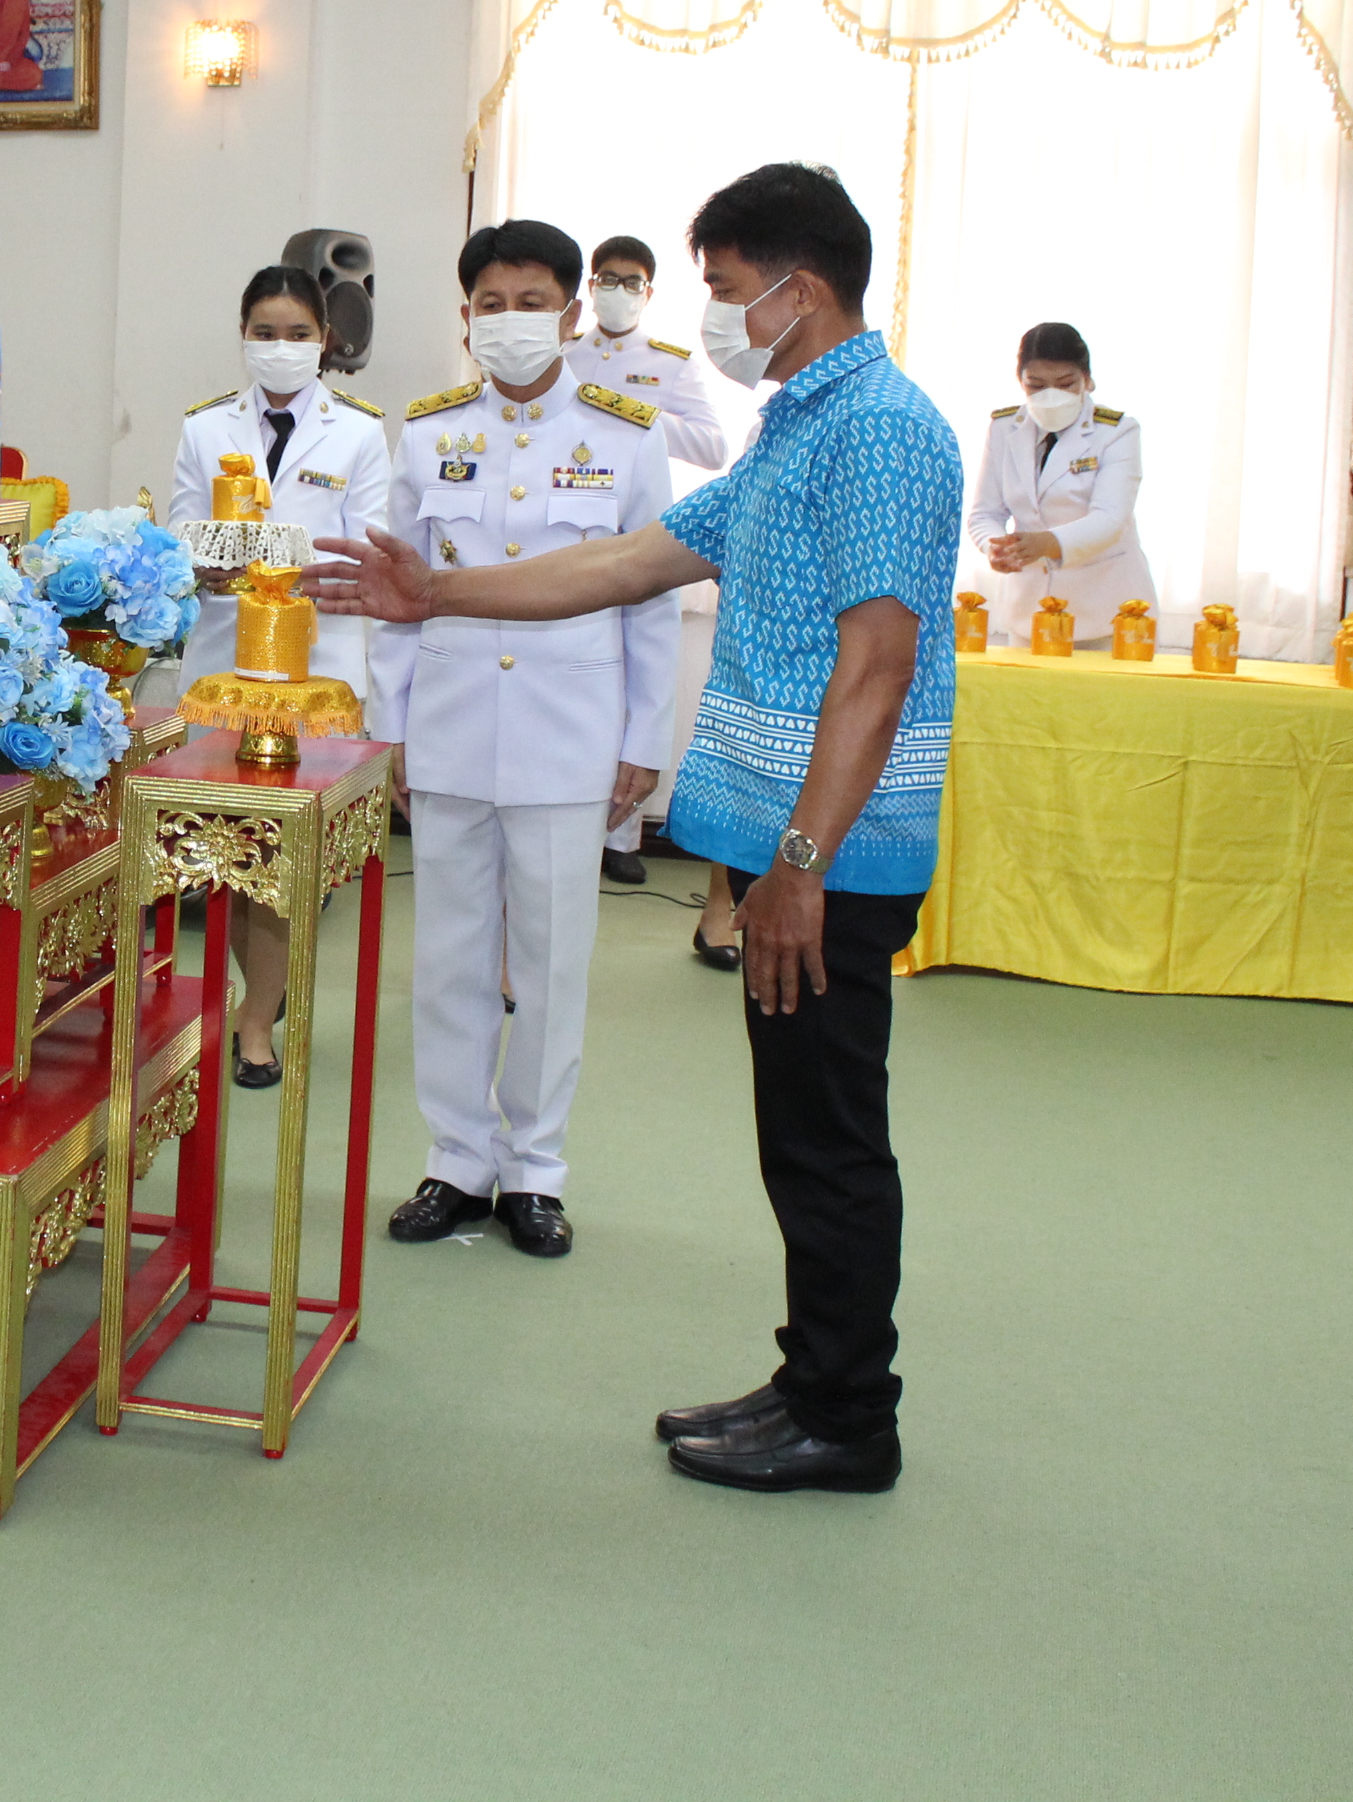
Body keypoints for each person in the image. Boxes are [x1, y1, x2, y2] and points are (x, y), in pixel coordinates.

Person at [316, 163, 962, 1491]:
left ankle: (850, 1415)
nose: (712, 319)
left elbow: (881, 664)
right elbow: (628, 563)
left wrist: (795, 869)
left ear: (802, 287)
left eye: (725, 291)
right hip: (793, 851)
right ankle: (814, 1381)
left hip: (825, 858)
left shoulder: (883, 429)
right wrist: (439, 591)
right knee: (801, 1134)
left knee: (830, 1138)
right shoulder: (800, 426)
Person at [363, 219, 676, 1261]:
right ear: (465, 319)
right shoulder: (429, 431)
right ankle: (457, 1158)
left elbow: (651, 599)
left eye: (532, 302)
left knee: (550, 961)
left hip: (568, 733)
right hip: (451, 726)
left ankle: (536, 1169)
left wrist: (642, 734)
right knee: (448, 958)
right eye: (490, 305)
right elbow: (394, 592)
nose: (511, 321)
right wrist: (392, 726)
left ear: (572, 313)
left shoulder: (630, 435)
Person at [169, 263, 390, 1090]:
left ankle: (255, 1019)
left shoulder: (361, 432)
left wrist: (277, 563)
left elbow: (369, 549)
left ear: (326, 341)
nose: (281, 348)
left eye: (298, 334)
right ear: (242, 334)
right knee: (236, 844)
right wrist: (206, 565)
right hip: (225, 661)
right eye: (264, 331)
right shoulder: (204, 427)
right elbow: (183, 533)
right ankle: (256, 995)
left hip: (319, 666)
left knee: (287, 855)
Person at [567, 231, 731, 901]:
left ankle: (624, 838)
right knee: (582, 675)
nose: (617, 291)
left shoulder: (669, 362)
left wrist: (640, 417)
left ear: (650, 292)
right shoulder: (565, 354)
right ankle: (580, 818)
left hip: (640, 526)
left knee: (637, 667)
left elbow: (714, 446)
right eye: (606, 278)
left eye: (630, 281)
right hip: (572, 529)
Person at [965, 321, 1151, 647]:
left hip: (1107, 616)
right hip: (1028, 614)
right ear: (1020, 381)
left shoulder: (1118, 431)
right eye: (1036, 386)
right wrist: (997, 547)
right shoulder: (1005, 427)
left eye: (1065, 384)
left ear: (1087, 380)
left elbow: (1111, 519)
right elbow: (984, 513)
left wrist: (1046, 543)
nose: (1050, 397)